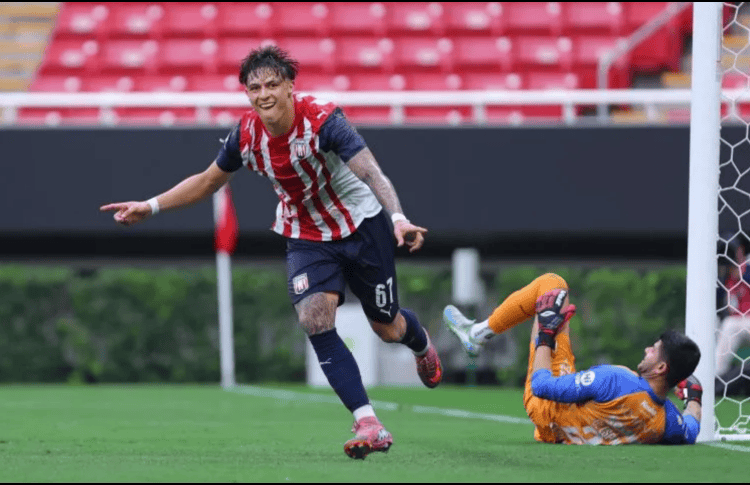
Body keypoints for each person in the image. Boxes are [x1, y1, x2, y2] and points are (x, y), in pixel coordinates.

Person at [100, 46, 442, 460]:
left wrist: (398, 218)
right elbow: (208, 181)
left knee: (387, 328)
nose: (263, 94)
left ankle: (421, 345)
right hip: (306, 235)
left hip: (362, 226)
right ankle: (367, 421)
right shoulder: (245, 136)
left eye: (271, 84)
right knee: (314, 319)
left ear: (290, 87)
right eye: (254, 87)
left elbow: (371, 171)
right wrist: (150, 206)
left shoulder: (323, 120)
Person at [443, 273, 702, 444]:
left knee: (552, 285)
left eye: (653, 350)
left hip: (545, 408)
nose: (646, 349)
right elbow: (690, 430)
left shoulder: (617, 379)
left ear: (661, 367)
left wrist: (546, 333)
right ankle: (477, 334)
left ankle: (476, 334)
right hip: (561, 436)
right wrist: (694, 398)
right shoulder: (666, 421)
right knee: (558, 301)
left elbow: (541, 386)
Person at [716, 235, 750, 377]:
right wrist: (721, 274)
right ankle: (711, 374)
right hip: (745, 329)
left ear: (740, 250)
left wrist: (742, 274)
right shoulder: (727, 277)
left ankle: (715, 375)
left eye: (731, 251)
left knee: (731, 325)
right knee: (716, 326)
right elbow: (718, 302)